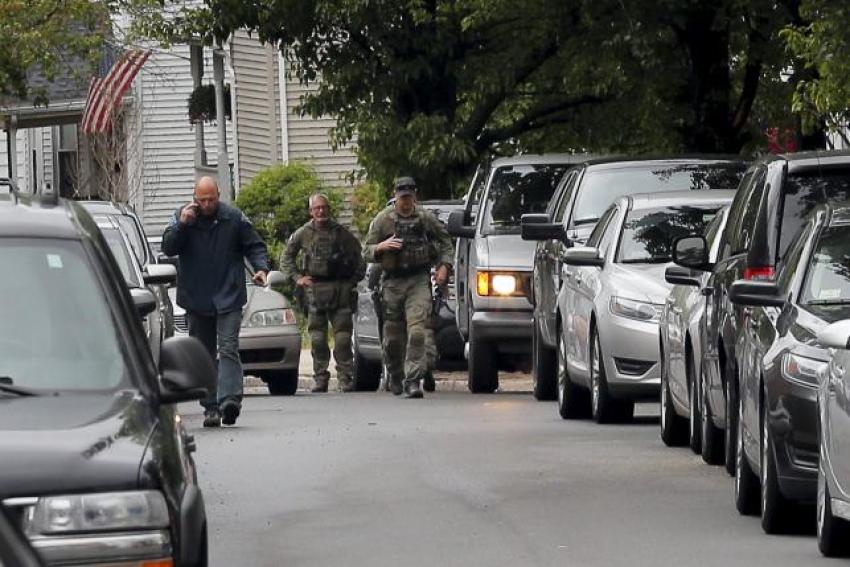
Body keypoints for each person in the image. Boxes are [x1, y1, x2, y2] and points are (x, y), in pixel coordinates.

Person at [162, 176, 270, 427]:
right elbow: (168, 247)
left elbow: (255, 245)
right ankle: (210, 406)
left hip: (228, 294)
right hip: (197, 296)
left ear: (219, 195)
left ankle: (230, 400)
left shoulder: (233, 217)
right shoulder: (182, 217)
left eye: (212, 199)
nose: (207, 204)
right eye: (202, 200)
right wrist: (181, 225)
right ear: (194, 198)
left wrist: (261, 268)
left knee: (229, 346)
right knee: (204, 353)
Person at [363, 177, 453, 398]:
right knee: (393, 338)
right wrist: (381, 247)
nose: (405, 201)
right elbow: (365, 251)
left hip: (418, 280)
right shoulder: (383, 220)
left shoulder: (425, 218)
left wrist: (445, 266)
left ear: (415, 195)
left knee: (417, 332)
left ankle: (413, 380)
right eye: (401, 196)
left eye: (408, 196)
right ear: (395, 195)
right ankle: (395, 373)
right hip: (392, 282)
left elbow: (445, 242)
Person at [281, 193, 365, 393]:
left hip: (340, 291)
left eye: (324, 207)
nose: (321, 211)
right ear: (311, 211)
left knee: (343, 339)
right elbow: (286, 257)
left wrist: (352, 281)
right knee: (317, 339)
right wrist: (297, 278)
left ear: (329, 209)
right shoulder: (303, 233)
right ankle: (320, 378)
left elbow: (360, 258)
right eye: (317, 208)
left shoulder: (342, 233)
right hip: (314, 291)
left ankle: (346, 377)